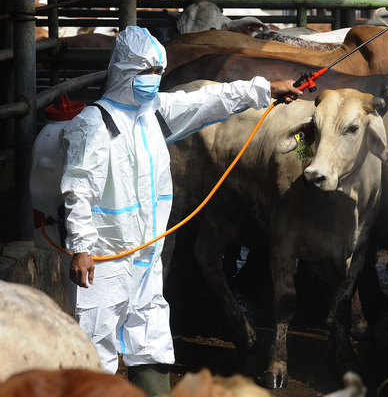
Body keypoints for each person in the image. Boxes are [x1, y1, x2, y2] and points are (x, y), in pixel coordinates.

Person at [60, 26, 302, 396]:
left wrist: (264, 89)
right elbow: (78, 186)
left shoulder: (152, 114)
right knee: (97, 344)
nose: (154, 81)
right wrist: (81, 247)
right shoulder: (95, 124)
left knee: (151, 337)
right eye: (146, 72)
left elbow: (208, 100)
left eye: (158, 72)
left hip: (148, 253)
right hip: (106, 259)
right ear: (124, 70)